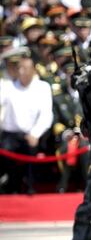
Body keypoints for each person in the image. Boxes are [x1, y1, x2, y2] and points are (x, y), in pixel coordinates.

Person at [0, 49, 54, 194]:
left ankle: (31, 186)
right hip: (10, 135)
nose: (22, 72)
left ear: (34, 70)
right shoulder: (7, 86)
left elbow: (46, 115)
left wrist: (35, 134)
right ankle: (11, 186)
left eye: (26, 69)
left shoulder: (43, 88)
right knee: (6, 151)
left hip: (32, 134)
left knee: (33, 153)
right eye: (20, 68)